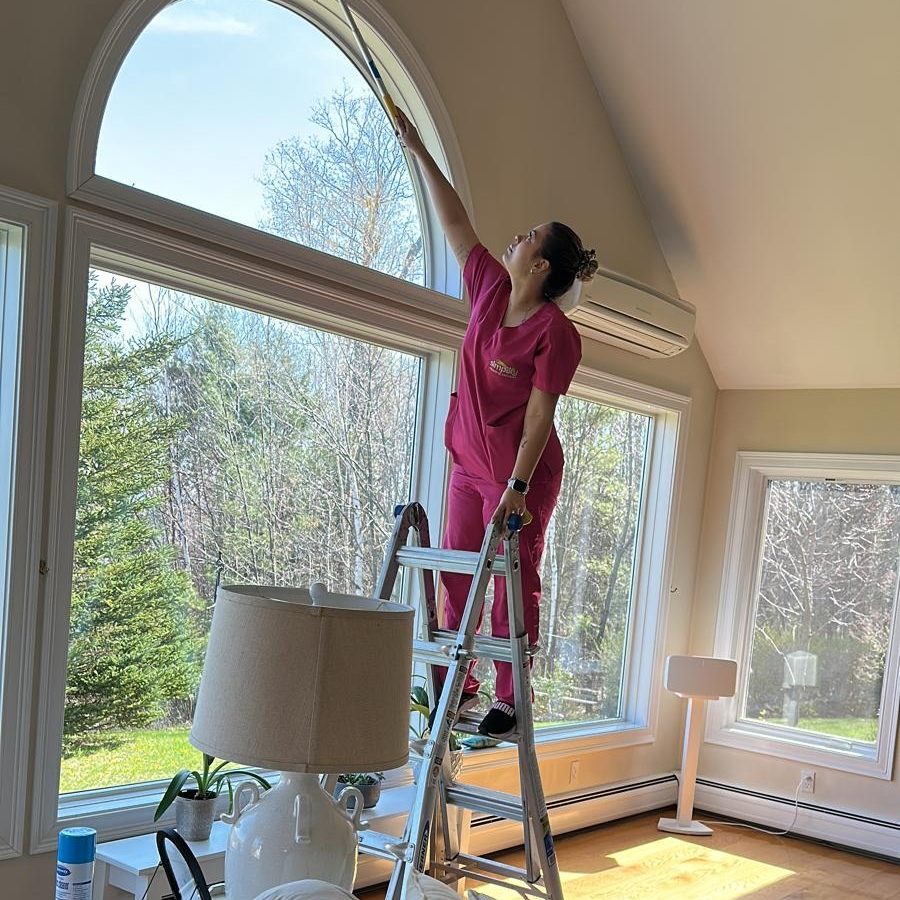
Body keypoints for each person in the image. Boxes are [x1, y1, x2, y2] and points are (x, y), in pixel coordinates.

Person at [396, 109, 598, 739]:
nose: (516, 237)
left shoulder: (556, 334)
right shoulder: (486, 287)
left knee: (513, 578)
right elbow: (456, 223)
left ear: (541, 267)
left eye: (529, 236)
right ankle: (458, 689)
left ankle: (510, 700)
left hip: (521, 477)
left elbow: (540, 413)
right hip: (468, 467)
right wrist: (419, 148)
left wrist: (515, 483)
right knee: (456, 571)